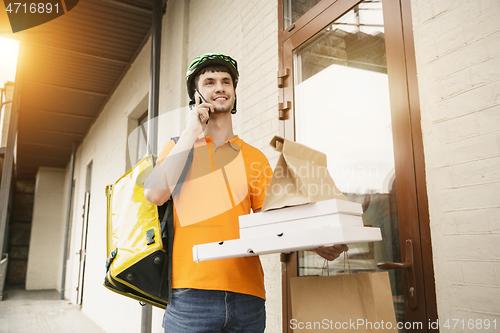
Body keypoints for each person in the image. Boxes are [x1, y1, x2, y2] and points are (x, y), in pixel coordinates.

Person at [144, 53, 346, 333]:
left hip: (248, 298)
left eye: (226, 81)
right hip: (191, 296)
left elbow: (273, 223)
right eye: (210, 81)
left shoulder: (254, 157)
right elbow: (155, 193)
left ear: (234, 93)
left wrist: (317, 242)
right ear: (196, 94)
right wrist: (192, 131)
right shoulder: (179, 148)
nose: (220, 87)